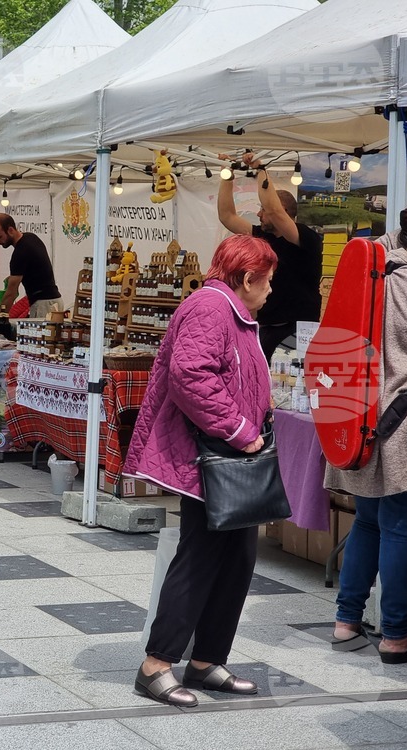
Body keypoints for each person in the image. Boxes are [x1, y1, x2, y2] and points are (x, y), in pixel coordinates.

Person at [123, 234, 276, 707]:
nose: (271, 290)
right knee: (201, 557)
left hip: (230, 456)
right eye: (267, 281)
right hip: (211, 454)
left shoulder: (229, 308)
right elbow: (191, 375)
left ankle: (208, 660)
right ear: (247, 277)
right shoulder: (210, 307)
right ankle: (156, 665)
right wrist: (240, 429)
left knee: (237, 560)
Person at [327, 189, 407, 664]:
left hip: (361, 415)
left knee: (367, 520)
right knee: (402, 528)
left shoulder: (372, 272)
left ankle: (346, 621)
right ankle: (396, 634)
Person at [217, 153, 323, 360]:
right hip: (268, 327)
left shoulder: (303, 237)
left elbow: (274, 212)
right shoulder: (264, 235)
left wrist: (260, 168)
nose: (259, 214)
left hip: (296, 330)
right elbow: (227, 216)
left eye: (262, 209)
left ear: (283, 210)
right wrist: (227, 176)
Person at [0, 213, 61, 318]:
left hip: (44, 305)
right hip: (54, 301)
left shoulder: (20, 253)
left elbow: (11, 293)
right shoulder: (31, 238)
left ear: (10, 230)